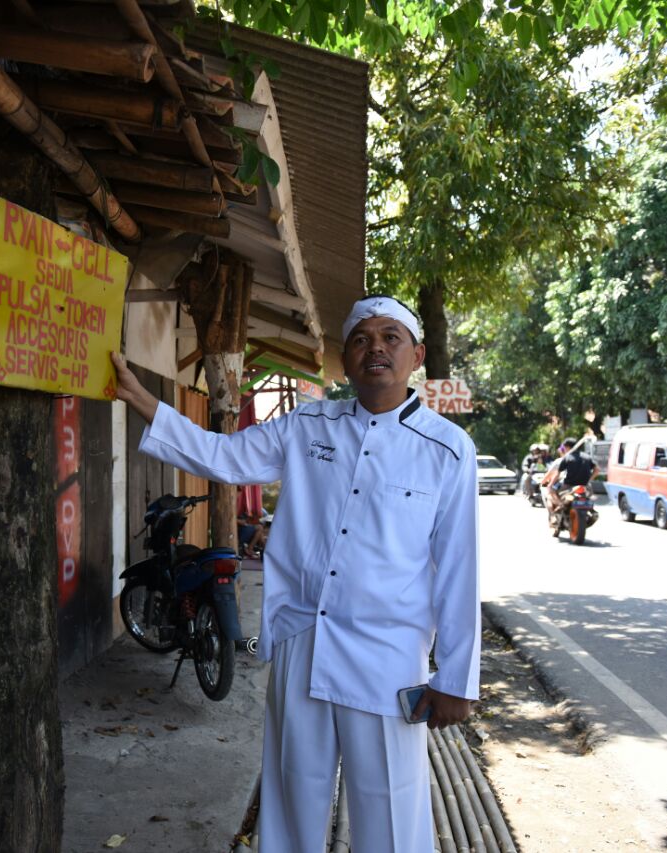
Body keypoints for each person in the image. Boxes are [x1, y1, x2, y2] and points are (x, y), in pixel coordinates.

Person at [110, 294, 479, 852]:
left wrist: (455, 679)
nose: (374, 348)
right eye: (361, 338)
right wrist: (142, 399)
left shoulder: (449, 449)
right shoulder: (310, 425)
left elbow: (458, 568)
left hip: (387, 657)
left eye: (390, 338)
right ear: (347, 357)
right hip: (303, 639)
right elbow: (223, 457)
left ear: (417, 355)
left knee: (392, 813)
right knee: (291, 799)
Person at [540, 438, 597, 514]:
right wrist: (589, 480)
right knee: (589, 498)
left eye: (564, 447)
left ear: (567, 447)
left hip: (568, 486)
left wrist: (550, 485)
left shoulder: (567, 457)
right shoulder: (587, 457)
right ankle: (590, 510)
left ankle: (559, 507)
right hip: (585, 486)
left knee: (550, 493)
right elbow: (597, 470)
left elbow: (557, 473)